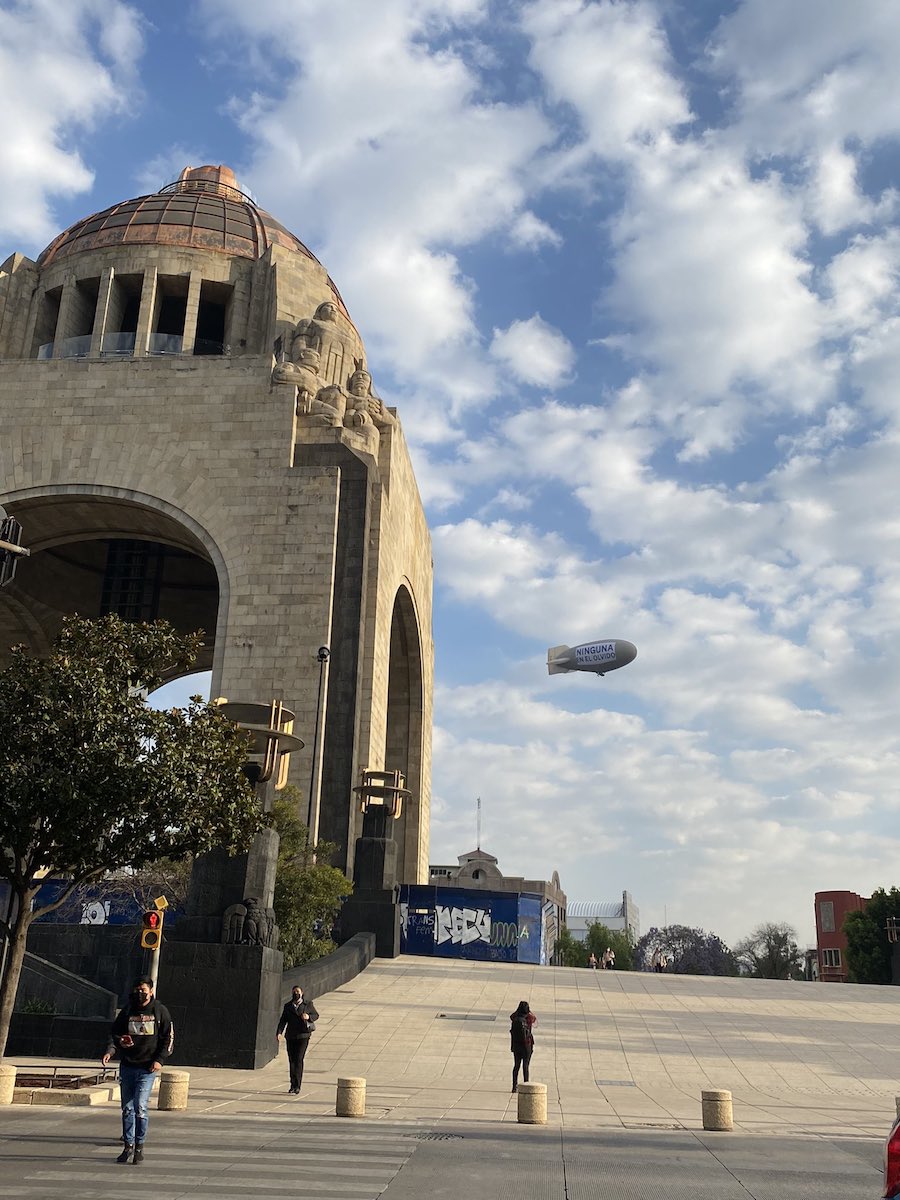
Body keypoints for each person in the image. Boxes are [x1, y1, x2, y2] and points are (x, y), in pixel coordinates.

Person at [102, 975, 173, 1165]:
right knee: (127, 1108)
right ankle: (128, 1146)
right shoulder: (128, 1010)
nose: (140, 993)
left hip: (147, 1067)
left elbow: (168, 1037)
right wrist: (114, 1047)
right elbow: (115, 1032)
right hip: (128, 1065)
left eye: (143, 989)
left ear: (150, 990)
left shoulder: (160, 1011)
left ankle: (140, 1146)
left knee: (140, 1107)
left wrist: (159, 1060)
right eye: (137, 989)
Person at [276, 985, 319, 1094]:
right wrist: (279, 1033)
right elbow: (283, 1020)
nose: (296, 994)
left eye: (298, 992)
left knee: (299, 1059)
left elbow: (316, 1015)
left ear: (302, 993)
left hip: (303, 1036)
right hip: (291, 1036)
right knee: (291, 1060)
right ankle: (292, 1085)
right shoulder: (288, 1006)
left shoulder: (308, 1004)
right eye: (294, 992)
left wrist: (308, 1017)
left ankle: (298, 1085)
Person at [509, 1000, 536, 1093]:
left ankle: (514, 1086)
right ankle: (526, 1085)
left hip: (516, 1045)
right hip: (527, 1045)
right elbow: (534, 1019)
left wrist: (517, 1011)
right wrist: (529, 1011)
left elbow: (511, 1016)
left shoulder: (515, 1018)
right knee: (525, 1065)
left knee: (516, 1065)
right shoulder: (528, 1018)